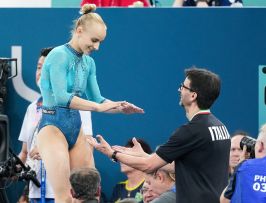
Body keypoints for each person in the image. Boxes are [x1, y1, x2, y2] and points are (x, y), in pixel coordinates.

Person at [36, 4, 144, 203]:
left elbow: (98, 99)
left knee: (89, 196)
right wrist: (99, 107)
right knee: (66, 197)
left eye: (100, 42)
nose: (97, 47)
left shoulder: (88, 63)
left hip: (75, 128)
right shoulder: (58, 55)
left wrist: (118, 107)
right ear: (79, 31)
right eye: (94, 40)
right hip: (52, 127)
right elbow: (61, 98)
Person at [88, 67, 231, 203]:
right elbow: (184, 167)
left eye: (183, 87)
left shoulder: (191, 131)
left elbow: (148, 166)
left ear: (193, 95)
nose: (179, 90)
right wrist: (142, 155)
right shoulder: (220, 127)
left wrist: (112, 154)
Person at [18, 47, 94, 203]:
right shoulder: (32, 108)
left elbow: (87, 149)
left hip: (65, 193)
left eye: (46, 67)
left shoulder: (78, 106)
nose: (41, 72)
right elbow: (24, 153)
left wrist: (49, 148)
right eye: (39, 67)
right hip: (35, 194)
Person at [111, 138, 152, 203]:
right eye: (122, 155)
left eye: (127, 155)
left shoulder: (151, 186)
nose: (122, 160)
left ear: (141, 158)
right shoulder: (118, 187)